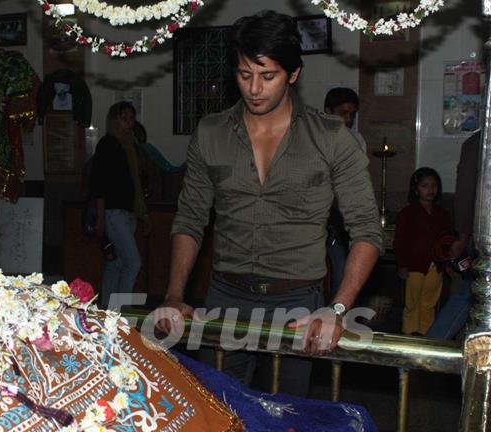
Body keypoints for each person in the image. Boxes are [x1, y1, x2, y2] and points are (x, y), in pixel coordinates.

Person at [154, 11, 382, 396]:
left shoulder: (330, 138)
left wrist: (338, 308)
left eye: (268, 76)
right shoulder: (211, 133)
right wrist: (175, 294)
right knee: (222, 413)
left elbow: (366, 229)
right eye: (245, 75)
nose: (254, 89)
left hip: (298, 302)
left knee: (287, 419)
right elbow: (190, 219)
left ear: (293, 74)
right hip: (225, 297)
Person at [90, 102, 147, 309]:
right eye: (124, 118)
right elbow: (99, 184)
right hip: (113, 212)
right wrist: (100, 217)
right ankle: (121, 311)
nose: (129, 123)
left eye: (131, 119)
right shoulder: (108, 144)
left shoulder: (130, 145)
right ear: (114, 120)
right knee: (133, 263)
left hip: (127, 211)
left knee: (117, 263)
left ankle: (107, 310)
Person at [426, 132, 479, 339]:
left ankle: (429, 349)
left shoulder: (475, 143)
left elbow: (465, 193)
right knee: (469, 292)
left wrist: (463, 236)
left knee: (468, 293)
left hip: (478, 234)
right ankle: (429, 349)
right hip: (481, 235)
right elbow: (466, 194)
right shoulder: (477, 144)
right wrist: (463, 236)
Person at [394, 167, 453, 335]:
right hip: (414, 265)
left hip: (436, 266)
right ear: (416, 189)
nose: (430, 190)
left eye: (434, 185)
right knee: (412, 302)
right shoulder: (408, 213)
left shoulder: (442, 214)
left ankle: (427, 335)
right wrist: (402, 264)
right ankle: (409, 333)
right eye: (425, 186)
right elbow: (400, 241)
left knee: (429, 302)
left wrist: (447, 263)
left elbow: (447, 240)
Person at [323, 88, 365, 299]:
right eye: (343, 113)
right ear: (327, 111)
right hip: (319, 218)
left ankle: (333, 316)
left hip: (342, 221)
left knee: (342, 272)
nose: (348, 119)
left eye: (352, 114)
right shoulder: (315, 140)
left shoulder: (356, 140)